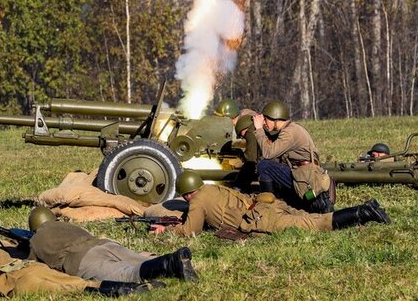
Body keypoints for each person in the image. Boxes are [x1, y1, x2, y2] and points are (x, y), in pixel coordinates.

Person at [152, 170, 389, 238]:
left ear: (185, 194)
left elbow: (190, 231)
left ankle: (364, 212)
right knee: (312, 218)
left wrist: (166, 230)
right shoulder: (211, 188)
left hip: (263, 218)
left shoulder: (197, 202)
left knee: (316, 224)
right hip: (269, 204)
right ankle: (368, 208)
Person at [0, 231, 158, 297]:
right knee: (78, 281)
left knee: (74, 288)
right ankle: (141, 286)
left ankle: (125, 291)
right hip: (32, 267)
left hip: (16, 281)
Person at [25, 206, 197, 283]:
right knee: (138, 260)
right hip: (104, 244)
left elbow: (31, 265)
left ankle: (169, 264)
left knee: (127, 275)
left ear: (34, 227)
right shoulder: (65, 224)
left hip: (82, 259)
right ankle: (176, 260)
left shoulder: (36, 239)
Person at [252, 100, 333, 213]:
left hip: (304, 178)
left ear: (275, 119)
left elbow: (268, 154)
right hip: (303, 176)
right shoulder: (291, 128)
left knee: (264, 166)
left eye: (266, 119)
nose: (264, 123)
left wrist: (259, 129)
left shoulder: (289, 133)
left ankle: (268, 207)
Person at [232, 114, 260, 191]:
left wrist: (241, 158)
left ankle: (237, 191)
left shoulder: (250, 132)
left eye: (242, 135)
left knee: (248, 167)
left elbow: (251, 158)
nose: (243, 137)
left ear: (243, 130)